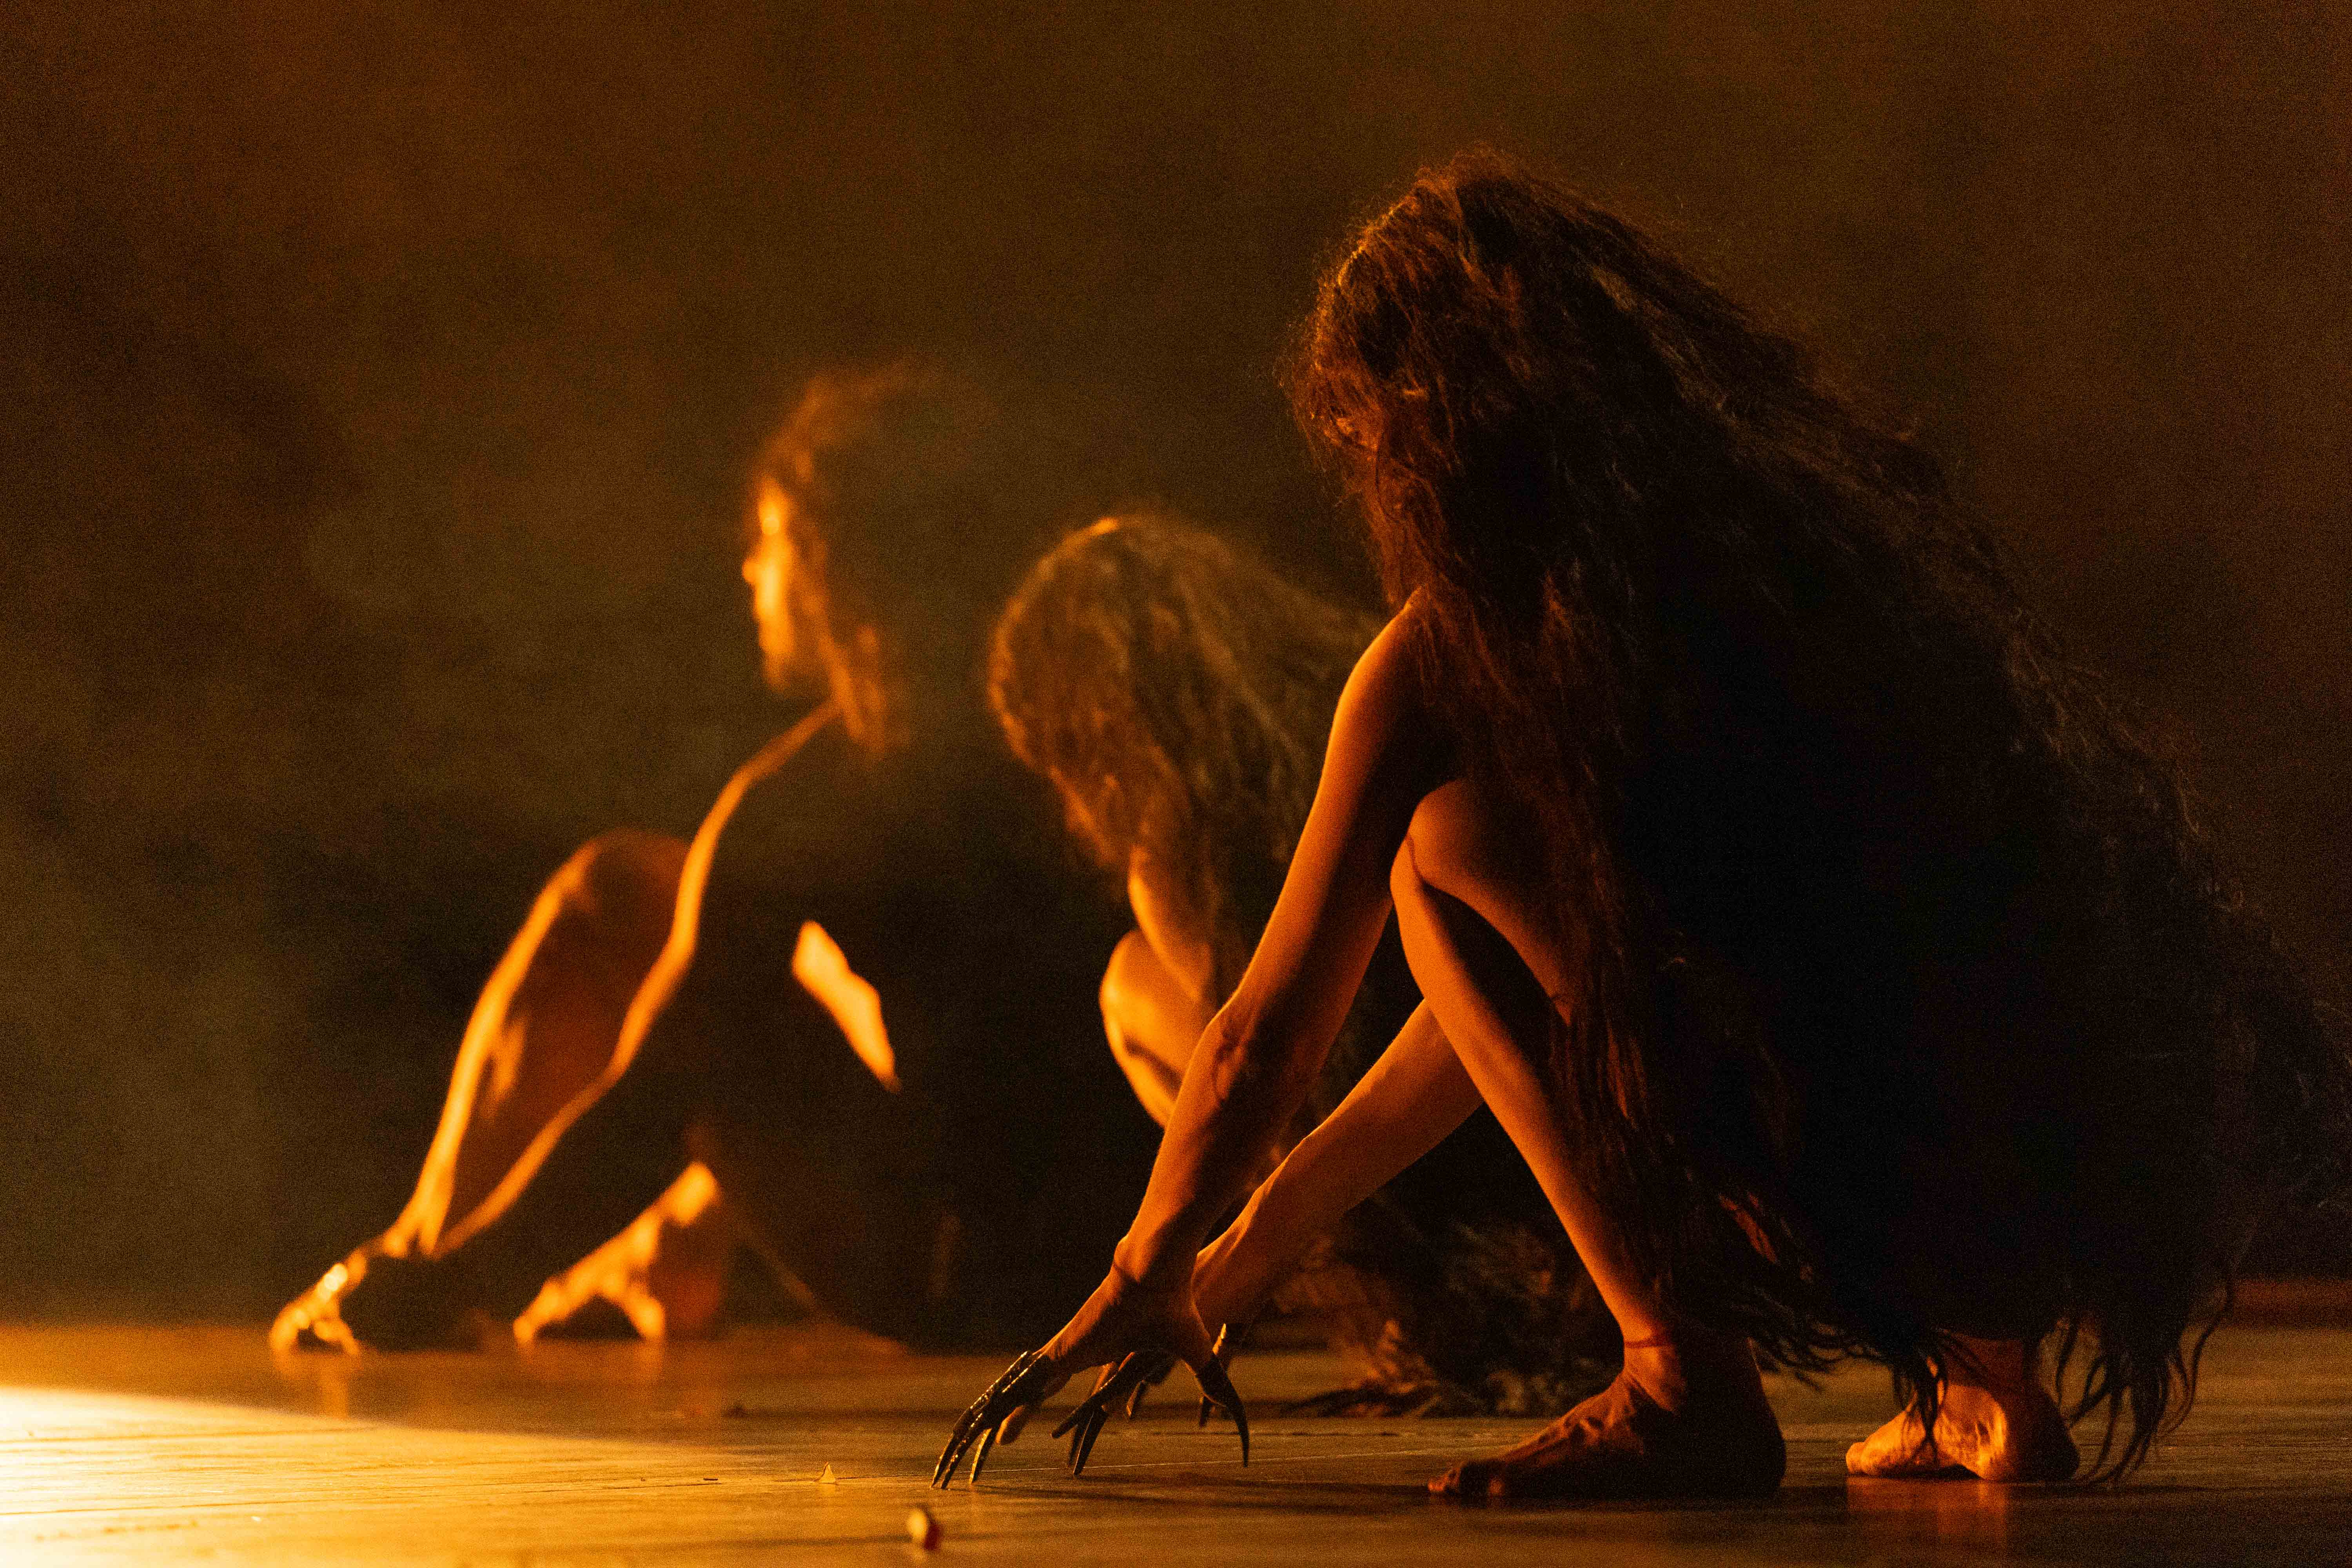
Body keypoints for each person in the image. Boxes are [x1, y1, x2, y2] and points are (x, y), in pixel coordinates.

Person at [934, 152, 2352, 1498]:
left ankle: (1680, 1378)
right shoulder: (1793, 546)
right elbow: (1495, 1011)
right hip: (2035, 1180)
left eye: (1363, 440)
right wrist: (1238, 1256)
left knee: (1443, 846)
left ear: (1422, 433)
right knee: (1600, 900)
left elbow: (1262, 1036)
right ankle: (1987, 1386)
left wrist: (1142, 1264)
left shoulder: (1446, 657)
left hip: (1855, 1179)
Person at [274, 366, 1151, 1354]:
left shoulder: (818, 795)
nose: (747, 571)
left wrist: (460, 1281)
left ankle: (428, 1261)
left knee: (711, 1020)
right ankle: (639, 1250)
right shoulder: (1080, 728)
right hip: (1134, 1242)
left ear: (831, 563)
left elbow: (661, 1090)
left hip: (972, 1285)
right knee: (633, 893)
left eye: (767, 541)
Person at [988, 514, 1617, 1415]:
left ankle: (1383, 1295)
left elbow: (1261, 1049)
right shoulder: (1363, 687)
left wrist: (1153, 1266)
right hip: (1560, 1128)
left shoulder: (1401, 683)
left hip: (1444, 1184)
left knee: (1135, 982)